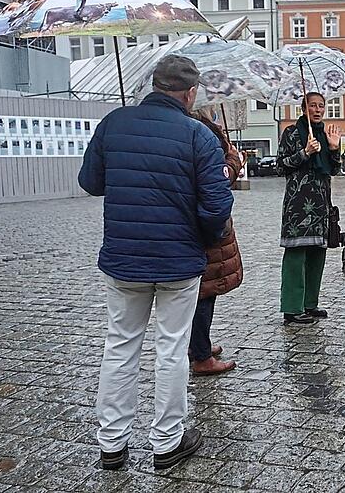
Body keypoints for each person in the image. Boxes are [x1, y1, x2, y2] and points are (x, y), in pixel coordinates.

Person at [78, 55, 233, 471]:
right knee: (171, 348)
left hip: (124, 259)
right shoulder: (197, 135)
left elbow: (90, 182)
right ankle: (167, 440)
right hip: (178, 262)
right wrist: (205, 239)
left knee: (120, 345)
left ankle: (112, 443)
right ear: (190, 92)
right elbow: (217, 205)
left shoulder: (114, 123)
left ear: (153, 85)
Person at [278, 92, 341, 324]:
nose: (318, 110)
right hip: (298, 204)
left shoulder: (324, 134)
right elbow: (281, 166)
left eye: (321, 106)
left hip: (321, 203)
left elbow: (334, 169)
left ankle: (309, 304)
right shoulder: (291, 133)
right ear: (304, 108)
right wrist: (305, 153)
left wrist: (333, 148)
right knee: (296, 255)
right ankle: (292, 308)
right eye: (313, 105)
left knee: (317, 255)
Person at [188, 111, 243, 375]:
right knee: (204, 293)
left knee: (199, 293)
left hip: (191, 228)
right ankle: (201, 356)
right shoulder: (200, 137)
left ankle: (198, 344)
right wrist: (233, 160)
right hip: (205, 231)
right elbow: (217, 179)